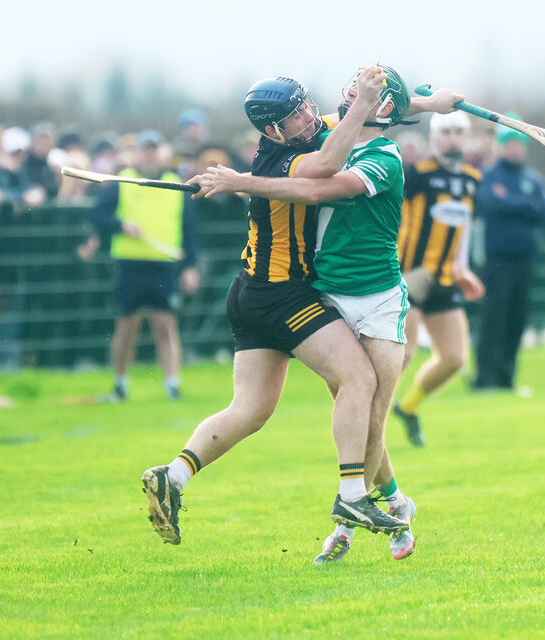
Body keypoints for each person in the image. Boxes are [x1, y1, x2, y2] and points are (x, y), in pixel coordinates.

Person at [197, 65, 462, 563]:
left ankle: (349, 524)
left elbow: (316, 190)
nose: (345, 99)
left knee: (373, 420)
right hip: (327, 296)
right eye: (348, 93)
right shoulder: (326, 132)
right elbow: (364, 116)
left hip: (379, 300)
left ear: (380, 109)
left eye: (360, 96)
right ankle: (389, 503)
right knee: (354, 408)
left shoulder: (384, 157)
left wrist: (240, 182)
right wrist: (430, 103)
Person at [141, 67, 412, 551]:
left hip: (247, 293)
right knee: (359, 380)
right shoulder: (286, 161)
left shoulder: (307, 132)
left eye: (308, 105)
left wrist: (420, 103)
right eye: (295, 115)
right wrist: (239, 180)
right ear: (272, 131)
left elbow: (348, 120)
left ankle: (173, 475)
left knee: (249, 409)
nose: (309, 116)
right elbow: (324, 170)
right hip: (284, 296)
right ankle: (354, 492)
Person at [393, 111, 486, 447]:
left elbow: (462, 230)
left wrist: (462, 270)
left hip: (446, 278)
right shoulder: (415, 175)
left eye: (458, 132)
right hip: (412, 274)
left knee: (454, 359)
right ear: (434, 138)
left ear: (467, 138)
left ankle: (406, 407)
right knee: (404, 354)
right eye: (445, 132)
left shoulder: (473, 178)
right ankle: (367, 419)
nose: (452, 139)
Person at [90, 129, 201, 401]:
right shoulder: (123, 181)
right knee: (127, 326)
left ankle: (172, 384)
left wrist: (191, 265)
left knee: (165, 325)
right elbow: (97, 214)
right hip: (130, 264)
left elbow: (190, 229)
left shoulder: (176, 184)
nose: (150, 154)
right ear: (138, 152)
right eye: (146, 149)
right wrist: (121, 226)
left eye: (154, 149)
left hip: (163, 266)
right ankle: (120, 383)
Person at [473, 116, 545, 391]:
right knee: (494, 317)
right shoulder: (489, 175)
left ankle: (506, 378)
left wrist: (511, 202)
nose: (515, 149)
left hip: (526, 261)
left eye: (519, 144)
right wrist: (524, 205)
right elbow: (492, 204)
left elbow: (544, 213)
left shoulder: (534, 179)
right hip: (498, 261)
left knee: (517, 320)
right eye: (510, 144)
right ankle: (484, 378)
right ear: (502, 146)